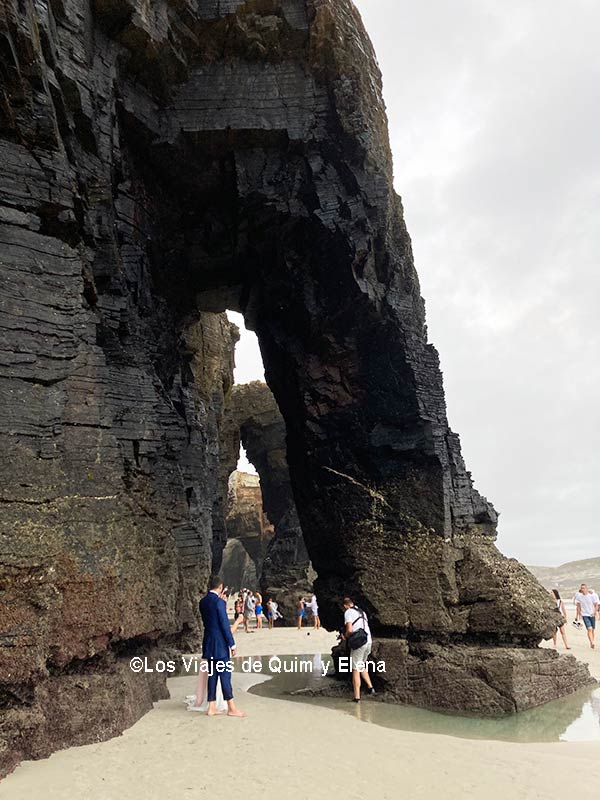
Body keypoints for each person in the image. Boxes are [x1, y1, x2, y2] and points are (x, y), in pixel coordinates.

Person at [198, 574, 245, 717]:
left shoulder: (203, 602)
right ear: (220, 587)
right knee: (225, 675)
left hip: (208, 642)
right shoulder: (219, 603)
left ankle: (211, 707)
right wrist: (232, 645)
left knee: (212, 675)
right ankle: (231, 708)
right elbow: (224, 626)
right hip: (220, 645)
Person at [342, 596, 375, 703]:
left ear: (345, 605)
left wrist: (344, 636)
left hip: (359, 642)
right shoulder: (362, 612)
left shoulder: (348, 612)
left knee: (355, 669)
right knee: (361, 665)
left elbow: (350, 630)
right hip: (368, 640)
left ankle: (357, 697)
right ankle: (370, 688)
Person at [574, 583, 598, 649]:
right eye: (582, 588)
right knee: (589, 628)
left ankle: (591, 642)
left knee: (592, 629)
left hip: (592, 614)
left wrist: (594, 612)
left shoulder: (592, 596)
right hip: (585, 615)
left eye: (584, 588)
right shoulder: (579, 597)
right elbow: (578, 606)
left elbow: (596, 604)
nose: (583, 589)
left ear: (586, 589)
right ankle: (592, 642)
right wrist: (579, 614)